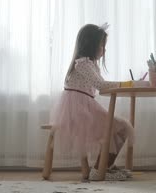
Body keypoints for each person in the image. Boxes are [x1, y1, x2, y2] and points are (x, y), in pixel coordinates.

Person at [50, 23, 134, 181]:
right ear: (92, 44)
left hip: (85, 106)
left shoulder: (90, 64)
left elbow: (100, 86)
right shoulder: (83, 64)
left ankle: (104, 167)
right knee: (119, 127)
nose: (104, 49)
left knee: (120, 127)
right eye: (102, 45)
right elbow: (101, 85)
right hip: (79, 110)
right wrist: (125, 84)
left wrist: (123, 85)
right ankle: (99, 170)